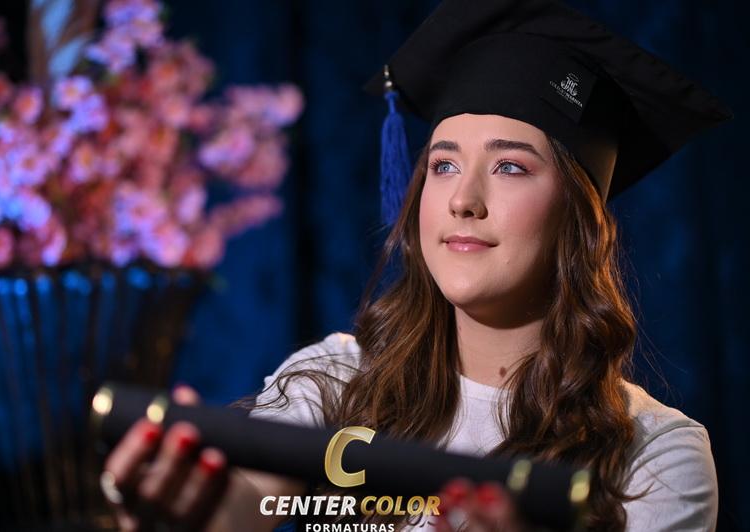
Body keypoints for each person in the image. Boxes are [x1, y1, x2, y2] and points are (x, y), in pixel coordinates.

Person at [100, 0, 732, 530]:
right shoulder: (337, 380)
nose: (463, 199)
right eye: (444, 164)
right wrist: (193, 508)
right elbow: (246, 503)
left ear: (580, 217)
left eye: (510, 166)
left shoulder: (655, 456)